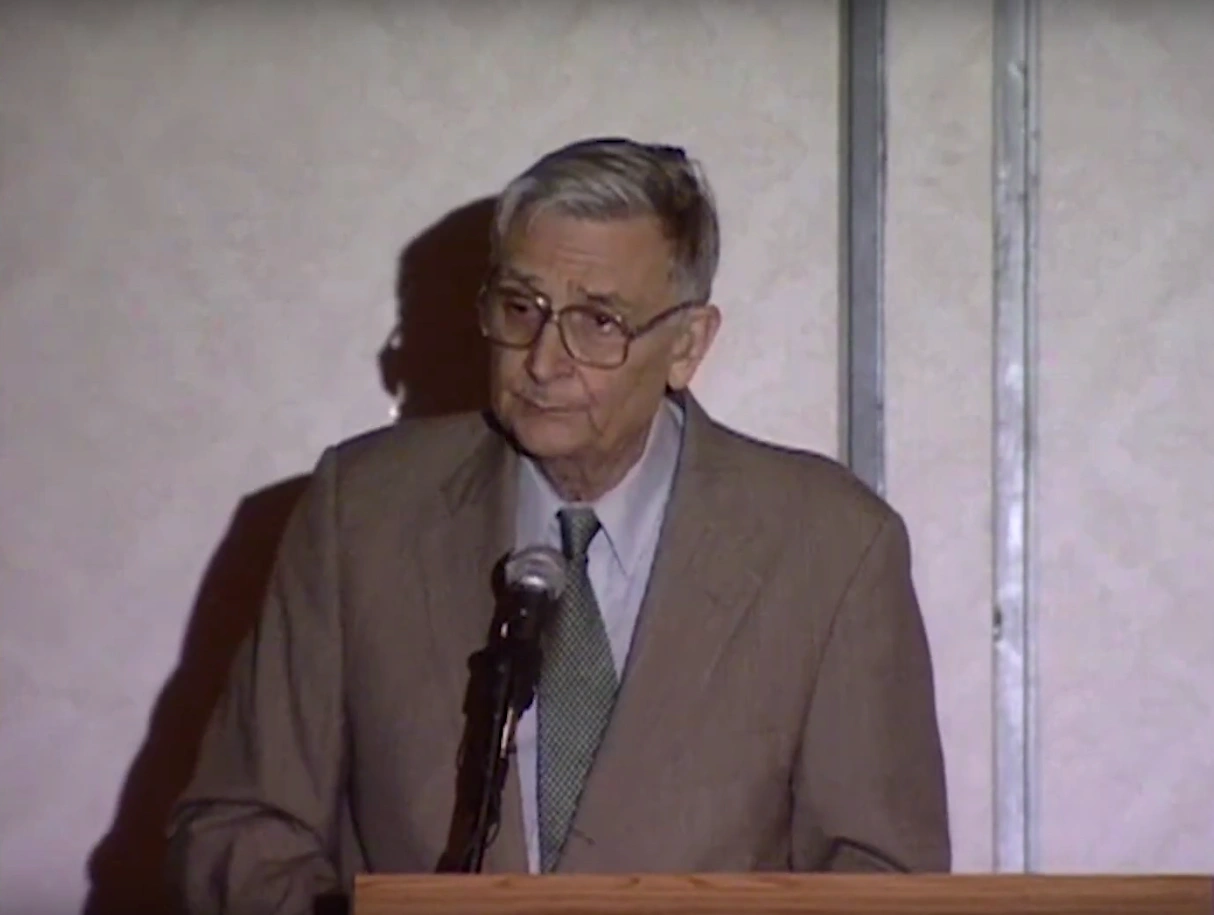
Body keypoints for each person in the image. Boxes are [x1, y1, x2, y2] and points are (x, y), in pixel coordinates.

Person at [167, 137, 950, 914]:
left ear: (686, 344)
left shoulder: (832, 548)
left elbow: (883, 876)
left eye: (597, 322)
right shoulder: (359, 514)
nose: (543, 360)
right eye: (521, 308)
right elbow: (236, 825)